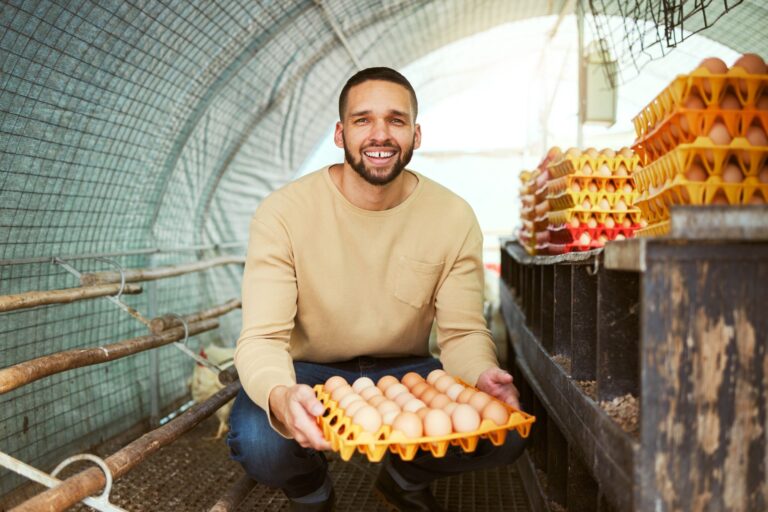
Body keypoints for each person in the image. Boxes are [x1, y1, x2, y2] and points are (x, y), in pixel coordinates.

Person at [229, 67, 526, 512]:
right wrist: (281, 395)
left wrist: (481, 375)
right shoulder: (283, 213)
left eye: (396, 120)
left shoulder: (452, 216)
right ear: (340, 132)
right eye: (363, 120)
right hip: (311, 371)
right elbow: (262, 339)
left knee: (502, 432)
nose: (380, 135)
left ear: (416, 134)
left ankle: (403, 478)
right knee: (258, 438)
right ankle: (313, 492)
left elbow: (462, 333)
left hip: (406, 370)